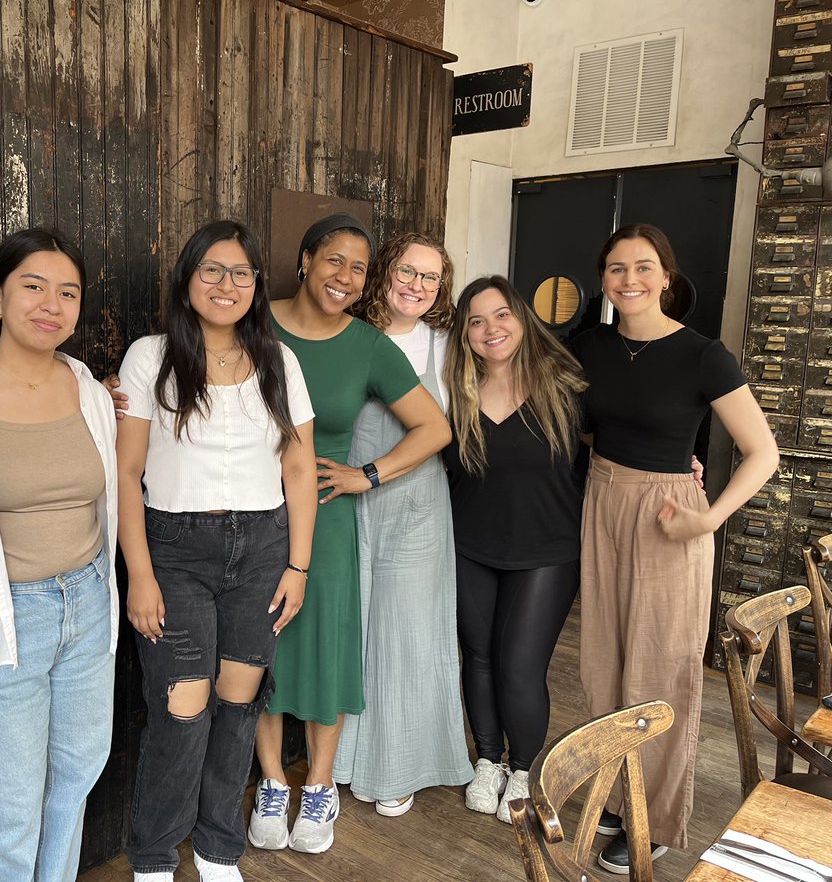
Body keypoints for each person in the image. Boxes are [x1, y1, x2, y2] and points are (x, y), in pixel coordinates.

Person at [116, 220, 317, 882]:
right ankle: (152, 859)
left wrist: (298, 566)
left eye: (240, 274)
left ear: (258, 286)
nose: (226, 284)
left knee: (239, 706)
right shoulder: (151, 356)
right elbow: (127, 471)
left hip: (263, 547)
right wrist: (139, 574)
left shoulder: (278, 361)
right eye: (212, 270)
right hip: (175, 548)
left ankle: (217, 848)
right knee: (181, 709)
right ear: (186, 279)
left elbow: (298, 470)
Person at [573, 223, 778, 873]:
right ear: (602, 279)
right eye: (615, 269)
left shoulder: (702, 355)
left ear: (667, 277)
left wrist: (709, 517)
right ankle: (614, 790)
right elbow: (581, 431)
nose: (628, 280)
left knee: (661, 668)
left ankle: (653, 816)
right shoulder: (589, 346)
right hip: (603, 501)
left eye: (642, 267)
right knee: (602, 662)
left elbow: (763, 452)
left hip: (671, 516)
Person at [249, 214, 451, 855]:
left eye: (358, 267)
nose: (344, 276)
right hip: (248, 511)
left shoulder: (366, 344)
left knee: (326, 647)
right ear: (304, 260)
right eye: (334, 260)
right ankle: (274, 782)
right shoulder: (255, 321)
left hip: (328, 517)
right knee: (261, 645)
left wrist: (369, 474)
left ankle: (321, 790)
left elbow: (435, 428)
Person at [0, 229, 118, 881]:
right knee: (4, 811)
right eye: (33, 286)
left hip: (88, 604)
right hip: (2, 616)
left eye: (68, 292)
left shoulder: (88, 386)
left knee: (73, 781)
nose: (51, 304)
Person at [332, 232, 472, 815]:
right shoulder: (349, 336)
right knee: (352, 630)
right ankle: (340, 762)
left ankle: (397, 767)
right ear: (385, 272)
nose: (417, 286)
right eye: (407, 272)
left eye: (431, 278)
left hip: (415, 502)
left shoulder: (447, 346)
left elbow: (506, 398)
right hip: (346, 496)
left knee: (407, 635)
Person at [441, 275, 588, 824]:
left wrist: (680, 467)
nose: (490, 329)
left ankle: (524, 769)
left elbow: (622, 443)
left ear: (522, 318)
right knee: (477, 656)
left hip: (548, 549)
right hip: (469, 544)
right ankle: (487, 761)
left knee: (520, 666)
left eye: (500, 314)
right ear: (465, 335)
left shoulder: (565, 385)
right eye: (476, 321)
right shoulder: (454, 391)